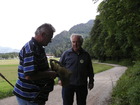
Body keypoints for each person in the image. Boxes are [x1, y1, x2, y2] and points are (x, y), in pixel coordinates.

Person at [13, 23, 57, 105]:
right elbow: (29, 75)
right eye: (50, 38)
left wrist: (50, 70)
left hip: (34, 96)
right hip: (29, 97)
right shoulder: (32, 48)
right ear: (43, 35)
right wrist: (50, 73)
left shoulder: (38, 47)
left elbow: (39, 69)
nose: (50, 41)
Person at [59, 34, 94, 105]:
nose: (75, 44)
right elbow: (59, 67)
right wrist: (60, 79)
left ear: (81, 42)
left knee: (82, 103)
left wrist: (91, 81)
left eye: (77, 42)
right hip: (67, 84)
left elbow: (90, 69)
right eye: (73, 42)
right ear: (71, 42)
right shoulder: (66, 54)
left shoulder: (86, 55)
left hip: (82, 84)